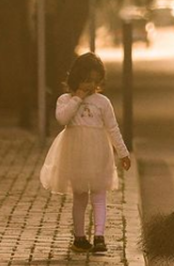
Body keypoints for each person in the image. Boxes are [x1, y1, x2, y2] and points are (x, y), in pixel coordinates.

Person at [40, 52, 131, 253]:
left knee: (99, 194)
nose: (90, 85)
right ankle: (79, 237)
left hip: (99, 152)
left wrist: (123, 153)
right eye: (87, 80)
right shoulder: (65, 99)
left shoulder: (102, 102)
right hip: (75, 154)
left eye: (95, 81)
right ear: (76, 78)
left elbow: (113, 128)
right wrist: (77, 99)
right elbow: (62, 119)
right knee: (80, 195)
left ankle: (99, 236)